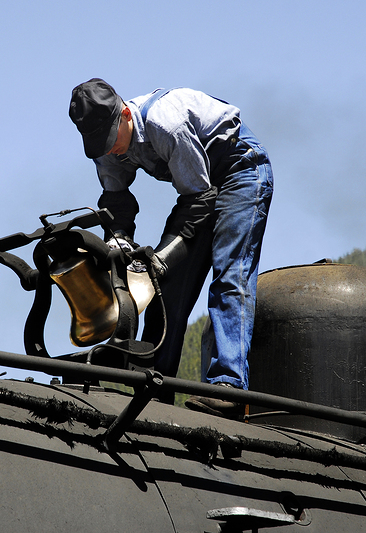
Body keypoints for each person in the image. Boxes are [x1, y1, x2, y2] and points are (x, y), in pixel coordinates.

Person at [68, 78, 273, 418]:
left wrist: (163, 257)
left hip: (239, 170)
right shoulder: (105, 148)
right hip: (198, 191)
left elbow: (200, 200)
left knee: (229, 275)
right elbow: (116, 201)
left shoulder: (167, 123)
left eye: (109, 139)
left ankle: (229, 386)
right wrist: (118, 240)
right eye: (97, 144)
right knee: (164, 285)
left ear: (124, 116)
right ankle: (152, 384)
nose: (109, 150)